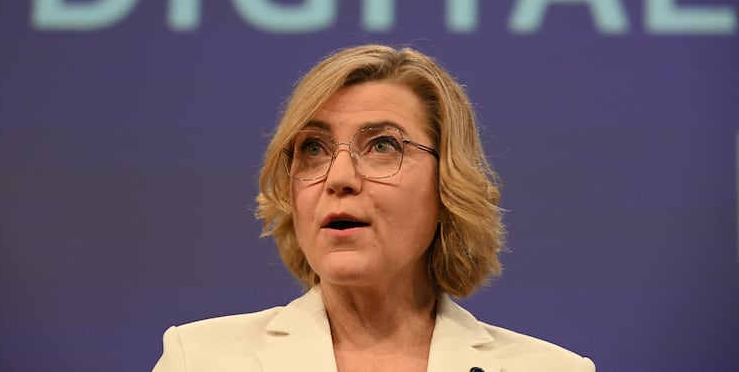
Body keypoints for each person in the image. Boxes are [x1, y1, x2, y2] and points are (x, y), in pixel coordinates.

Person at [152, 44, 595, 372]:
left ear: (446, 185)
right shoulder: (200, 359)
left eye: (382, 145)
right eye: (313, 148)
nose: (339, 177)